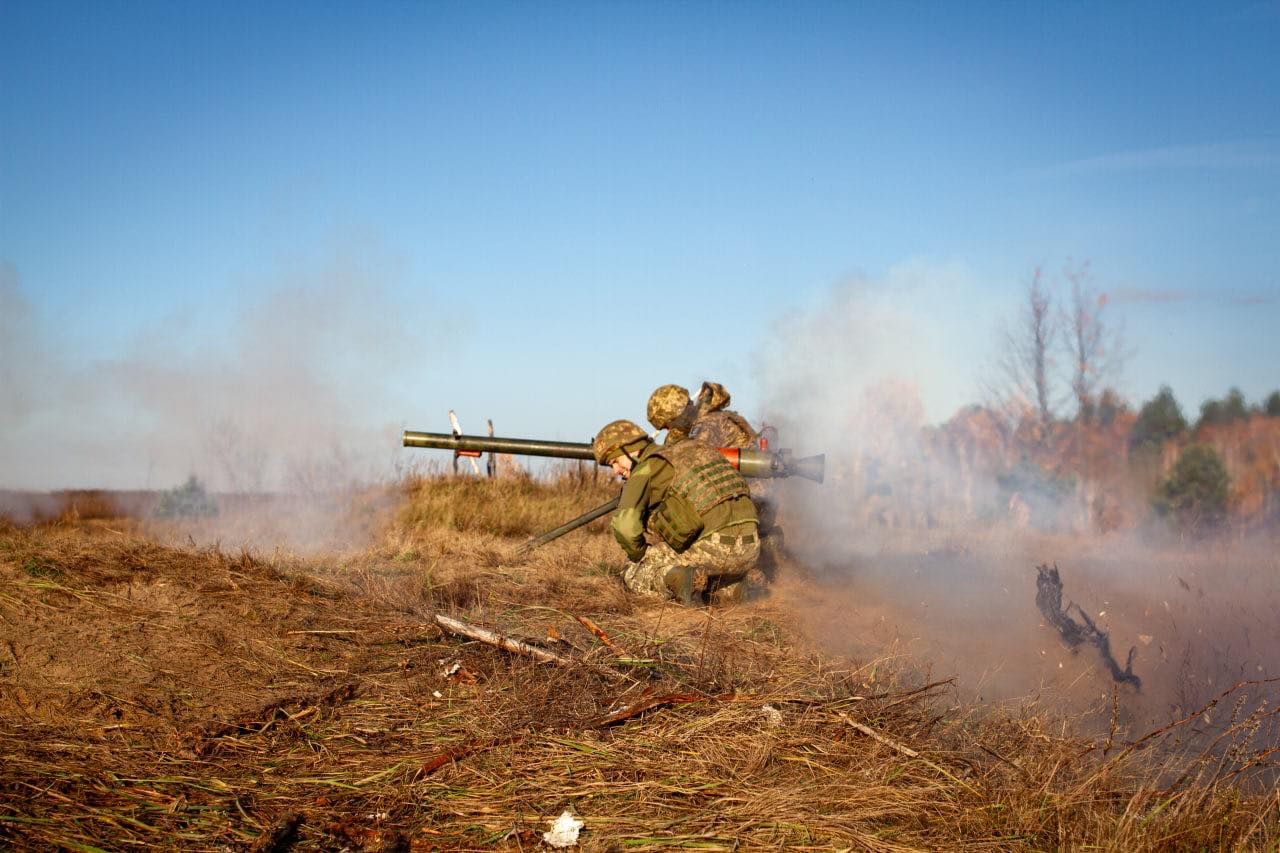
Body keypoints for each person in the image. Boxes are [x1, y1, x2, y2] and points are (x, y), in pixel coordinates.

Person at [591, 419, 760, 605]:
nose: (615, 470)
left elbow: (625, 526)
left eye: (615, 461)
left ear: (630, 448)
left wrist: (640, 555)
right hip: (751, 549)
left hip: (715, 548)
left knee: (634, 571)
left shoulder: (646, 468)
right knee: (707, 567)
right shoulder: (694, 448)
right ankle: (731, 587)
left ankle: (680, 581)